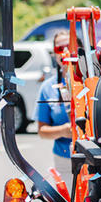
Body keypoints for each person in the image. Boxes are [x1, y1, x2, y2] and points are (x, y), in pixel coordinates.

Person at [33, 31, 73, 191]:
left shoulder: (90, 80)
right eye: (59, 48)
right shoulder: (48, 87)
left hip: (94, 158)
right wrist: (64, 130)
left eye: (68, 47)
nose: (64, 51)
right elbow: (42, 130)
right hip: (64, 158)